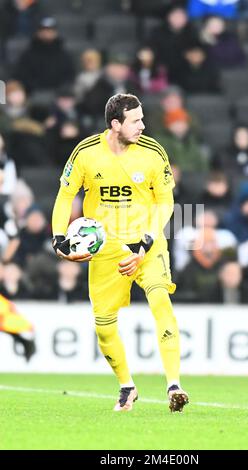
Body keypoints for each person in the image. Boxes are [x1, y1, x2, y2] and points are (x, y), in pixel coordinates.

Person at [52, 93, 189, 413]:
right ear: (115, 124)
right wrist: (58, 236)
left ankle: (174, 385)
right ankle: (127, 386)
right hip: (106, 249)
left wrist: (145, 242)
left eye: (142, 118)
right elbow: (64, 195)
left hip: (147, 244)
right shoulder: (86, 153)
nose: (143, 125)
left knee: (160, 299)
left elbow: (166, 202)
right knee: (103, 323)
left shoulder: (153, 152)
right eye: (136, 120)